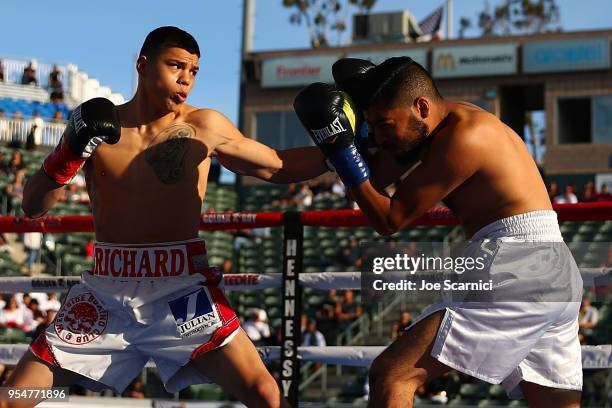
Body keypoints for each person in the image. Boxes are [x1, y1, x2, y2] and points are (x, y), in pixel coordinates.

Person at [8, 26, 328, 408]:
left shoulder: (203, 126)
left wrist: (345, 146)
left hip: (181, 290)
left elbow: (278, 166)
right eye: (176, 65)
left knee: (265, 394)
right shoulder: (100, 126)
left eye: (193, 71)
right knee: (13, 398)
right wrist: (67, 154)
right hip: (106, 288)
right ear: (143, 65)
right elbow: (33, 206)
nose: (186, 79)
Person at [293, 57, 583, 407]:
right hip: (552, 268)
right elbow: (377, 178)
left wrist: (341, 151)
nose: (381, 137)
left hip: (518, 264)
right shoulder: (441, 126)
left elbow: (389, 219)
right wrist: (355, 139)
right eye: (374, 126)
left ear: (421, 106)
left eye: (384, 125)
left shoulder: (464, 139)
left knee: (393, 374)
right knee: (553, 403)